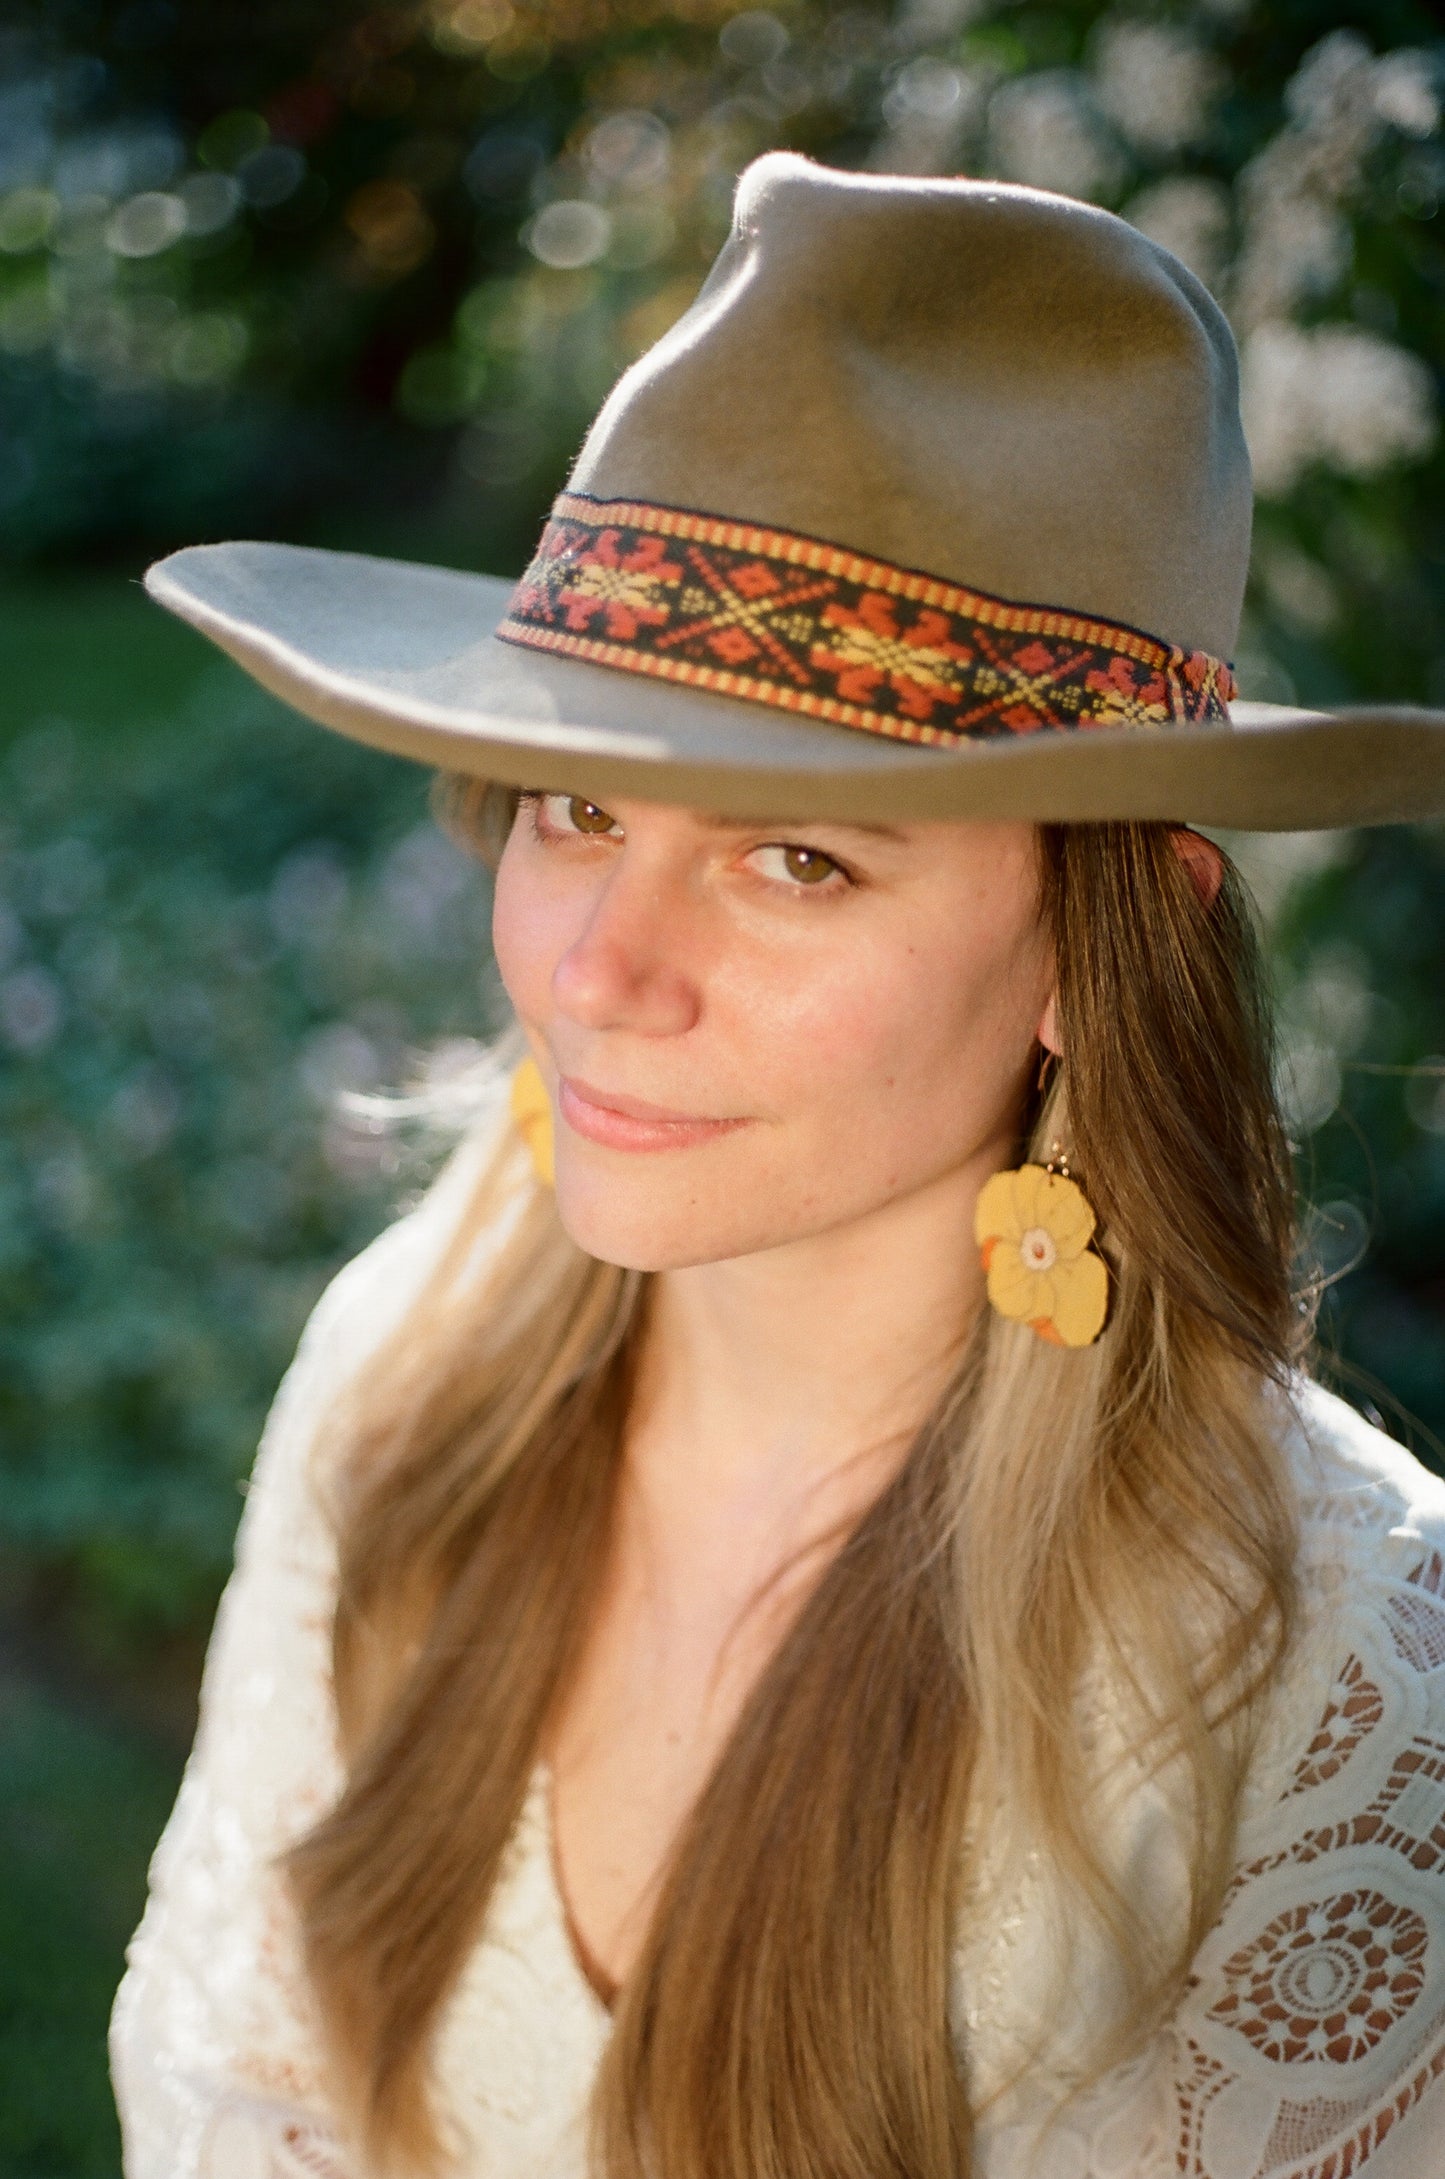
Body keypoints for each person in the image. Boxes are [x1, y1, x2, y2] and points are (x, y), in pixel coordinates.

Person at [113, 155, 1445, 2179]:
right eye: (575, 809)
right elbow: (235, 2092)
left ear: (1089, 951)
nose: (599, 974)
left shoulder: (1337, 1675)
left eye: (795, 860)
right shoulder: (413, 1370)